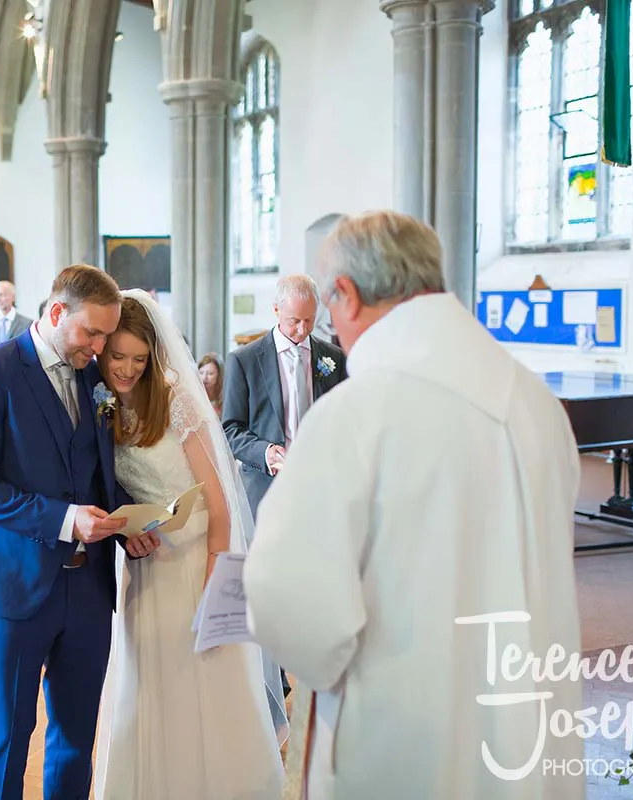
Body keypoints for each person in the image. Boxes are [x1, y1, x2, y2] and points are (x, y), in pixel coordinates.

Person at [245, 211, 584, 800]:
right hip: (526, 730)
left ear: (346, 293)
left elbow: (287, 606)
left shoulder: (354, 414)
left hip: (403, 740)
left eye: (329, 307)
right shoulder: (537, 405)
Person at [0, 265, 160, 800]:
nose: (100, 347)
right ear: (57, 311)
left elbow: (94, 472)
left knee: (75, 739)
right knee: (7, 737)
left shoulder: (92, 377)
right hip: (14, 586)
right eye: (92, 332)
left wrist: (126, 522)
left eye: (106, 336)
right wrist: (65, 520)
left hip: (88, 589)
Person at [93, 292, 285, 799]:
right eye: (118, 357)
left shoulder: (174, 400)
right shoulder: (100, 404)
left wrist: (215, 582)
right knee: (149, 680)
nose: (127, 369)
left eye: (139, 359)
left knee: (204, 680)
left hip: (197, 556)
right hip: (146, 561)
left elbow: (220, 505)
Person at [222, 274, 348, 517]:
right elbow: (231, 429)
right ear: (276, 309)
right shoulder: (244, 361)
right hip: (266, 487)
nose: (302, 329)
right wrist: (265, 452)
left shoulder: (334, 358)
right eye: (295, 320)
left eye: (309, 320)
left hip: (322, 485)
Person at [197, 352, 224, 417]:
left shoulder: (225, 398)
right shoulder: (194, 396)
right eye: (201, 373)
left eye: (210, 373)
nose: (204, 378)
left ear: (219, 376)